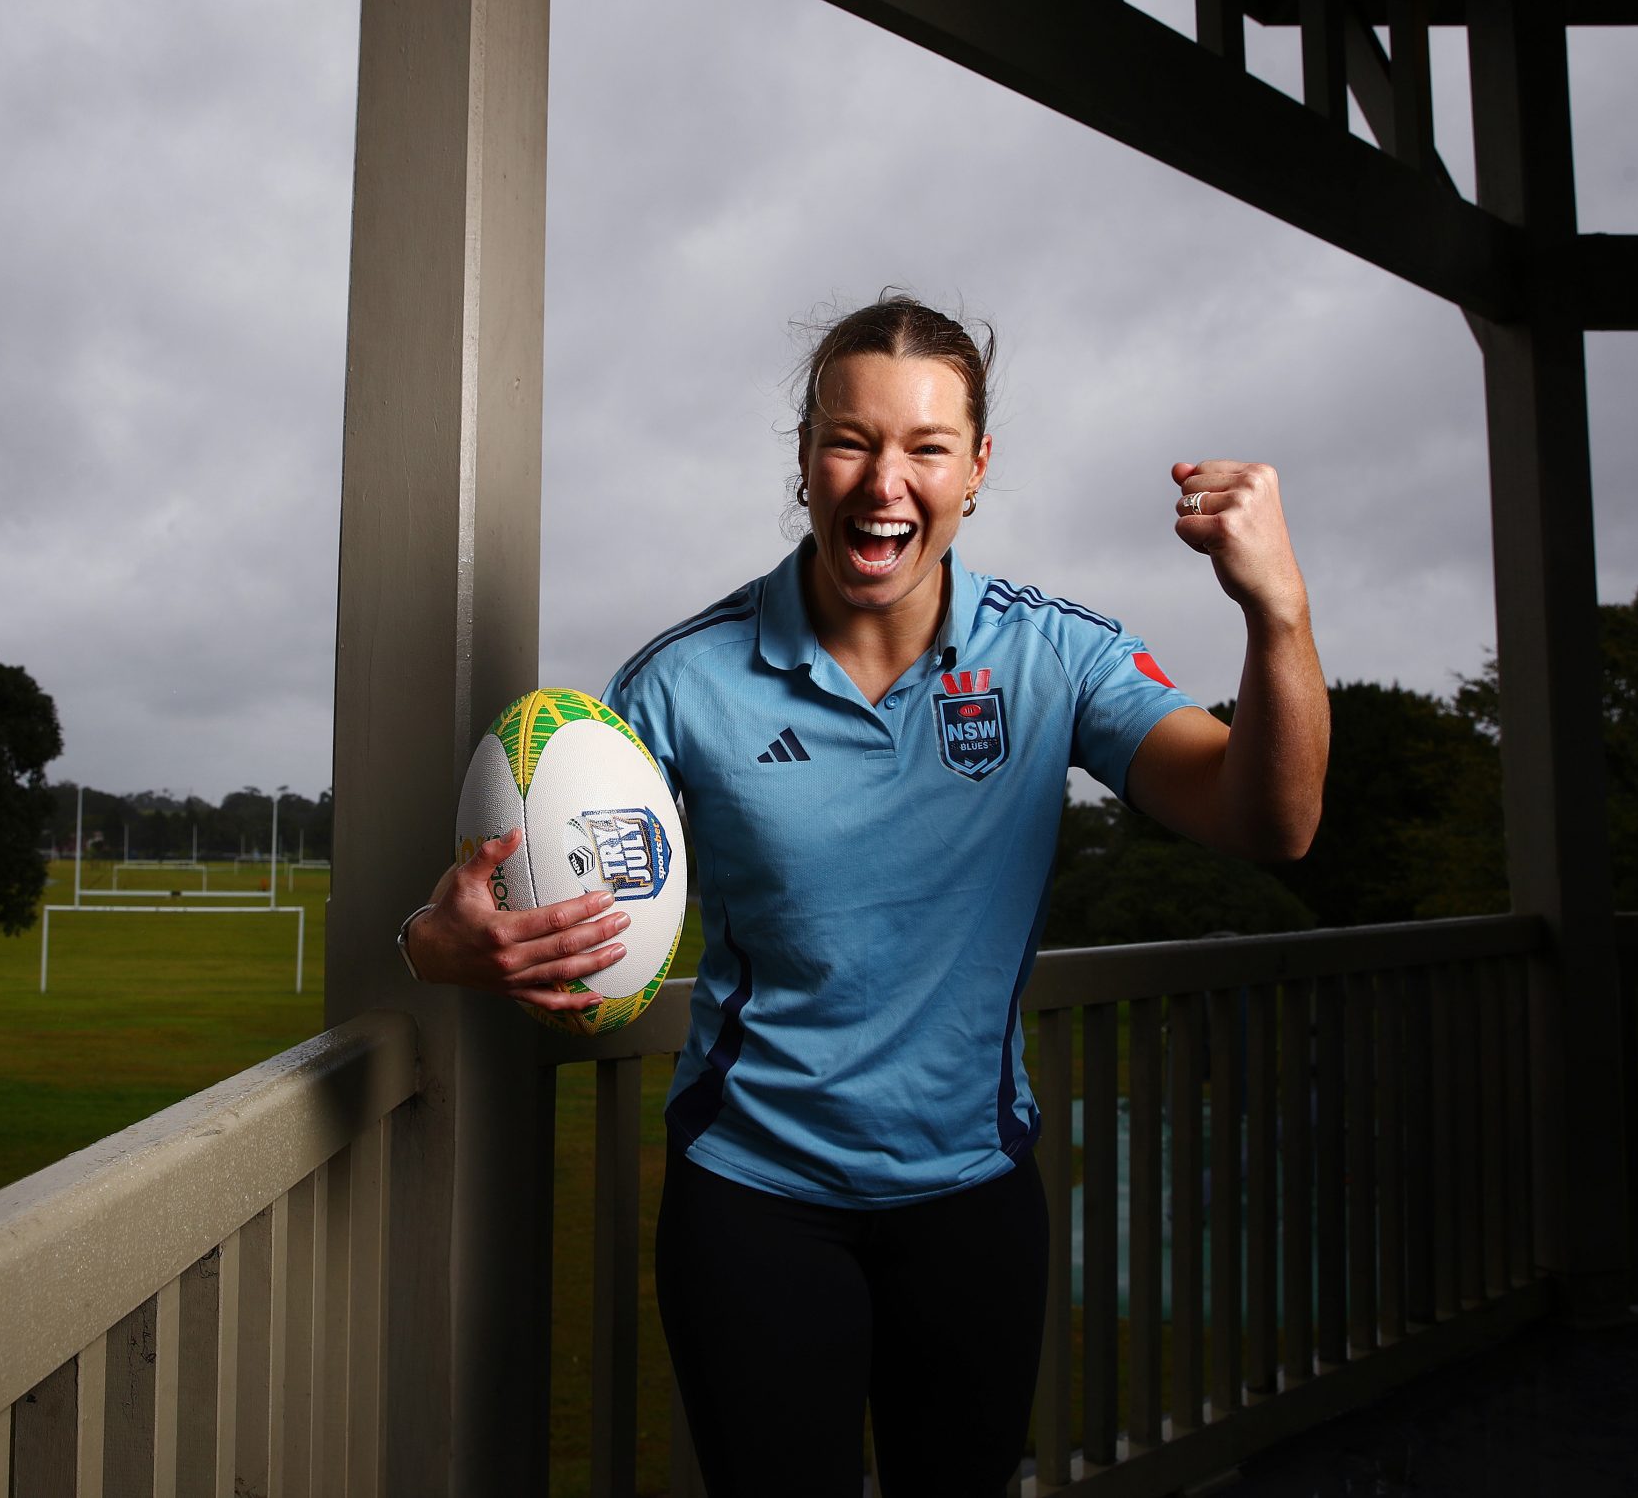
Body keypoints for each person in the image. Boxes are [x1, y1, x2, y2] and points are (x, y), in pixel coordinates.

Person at [397, 296, 1328, 1495]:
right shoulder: (680, 680)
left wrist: (1277, 612)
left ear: (975, 470)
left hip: (974, 1196)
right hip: (752, 1199)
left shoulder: (1056, 656)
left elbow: (1271, 820)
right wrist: (436, 943)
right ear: (804, 458)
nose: (884, 482)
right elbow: (554, 889)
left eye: (926, 447)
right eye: (849, 440)